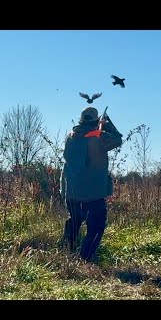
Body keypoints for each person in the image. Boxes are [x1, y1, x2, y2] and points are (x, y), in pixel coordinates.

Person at [59, 106, 123, 262]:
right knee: (96, 228)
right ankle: (85, 260)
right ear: (96, 120)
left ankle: (66, 257)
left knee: (73, 224)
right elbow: (118, 139)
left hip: (71, 191)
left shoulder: (71, 136)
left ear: (81, 119)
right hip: (93, 194)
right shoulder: (98, 136)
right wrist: (106, 123)